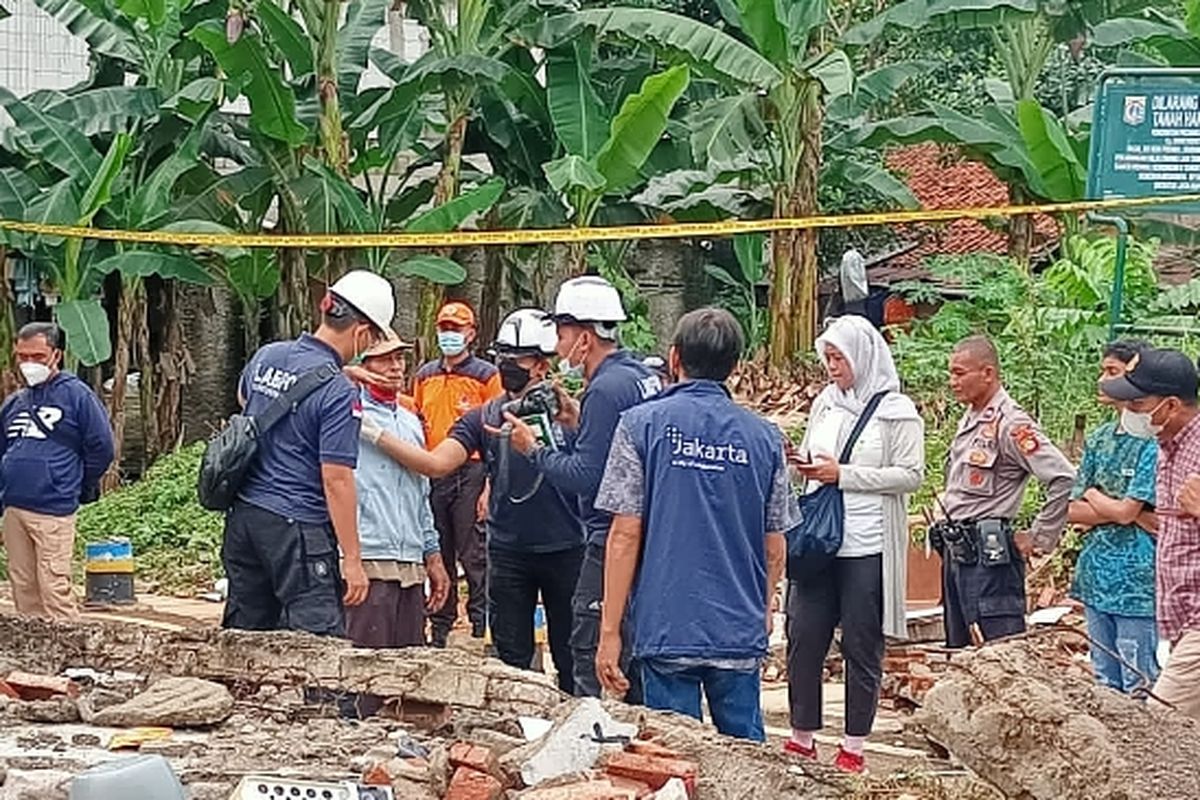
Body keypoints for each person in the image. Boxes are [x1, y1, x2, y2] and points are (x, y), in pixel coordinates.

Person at [593, 307, 798, 742]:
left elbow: (625, 534)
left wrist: (610, 632)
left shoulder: (640, 425)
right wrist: (764, 608)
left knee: (677, 757)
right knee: (747, 761)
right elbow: (775, 544)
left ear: (674, 358)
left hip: (668, 624)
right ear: (736, 367)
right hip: (737, 626)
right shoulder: (765, 439)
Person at [373, 309, 585, 692]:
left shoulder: (570, 414)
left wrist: (571, 423)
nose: (506, 366)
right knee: (510, 659)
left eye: (515, 358)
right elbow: (437, 463)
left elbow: (595, 466)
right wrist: (376, 435)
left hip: (567, 548)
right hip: (508, 552)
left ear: (540, 365)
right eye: (502, 356)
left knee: (573, 655)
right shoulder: (484, 417)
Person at [502, 276, 661, 699]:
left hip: (610, 537)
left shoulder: (606, 390)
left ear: (585, 337)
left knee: (590, 650)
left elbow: (589, 477)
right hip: (647, 535)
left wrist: (533, 450)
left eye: (561, 332)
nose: (556, 345)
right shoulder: (639, 377)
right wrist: (574, 424)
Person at [785, 315, 925, 773]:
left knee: (861, 643)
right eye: (827, 357)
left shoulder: (896, 411)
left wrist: (843, 475)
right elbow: (813, 455)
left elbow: (910, 476)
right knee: (804, 636)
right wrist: (803, 465)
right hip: (820, 541)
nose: (831, 366)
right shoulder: (826, 404)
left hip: (867, 542)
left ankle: (854, 744)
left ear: (863, 357)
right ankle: (802, 735)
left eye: (839, 357)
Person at [222, 270, 393, 637]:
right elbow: (336, 479)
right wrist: (352, 559)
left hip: (245, 521)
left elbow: (244, 400)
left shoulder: (269, 355)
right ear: (362, 331)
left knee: (245, 640)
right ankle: (324, 699)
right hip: (296, 529)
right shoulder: (337, 392)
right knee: (319, 649)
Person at [935, 335, 1074, 647]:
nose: (952, 382)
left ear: (988, 373)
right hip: (958, 552)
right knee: (960, 653)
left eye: (960, 373)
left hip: (989, 559)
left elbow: (1063, 477)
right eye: (951, 373)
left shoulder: (1012, 424)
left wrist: (1038, 536)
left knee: (998, 653)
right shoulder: (971, 416)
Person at [1100, 347, 1200, 719]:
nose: (1130, 413)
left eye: (1139, 404)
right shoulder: (1166, 447)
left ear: (1170, 405)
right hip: (1181, 619)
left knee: (1162, 729)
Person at [0, 322, 114, 619]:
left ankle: (71, 651)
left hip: (53, 508)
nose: (29, 364)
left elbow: (101, 449)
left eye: (37, 356)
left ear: (56, 355)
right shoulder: (15, 403)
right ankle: (36, 650)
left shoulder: (77, 396)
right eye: (23, 356)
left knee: (53, 585)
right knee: (23, 584)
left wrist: (71, 482)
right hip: (14, 507)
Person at [345, 333, 450, 649]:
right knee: (364, 667)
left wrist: (432, 555)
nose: (395, 367)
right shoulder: (347, 414)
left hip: (410, 561)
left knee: (409, 669)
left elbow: (421, 492)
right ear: (362, 364)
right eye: (383, 359)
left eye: (399, 359)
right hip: (370, 555)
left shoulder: (409, 420)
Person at [1067, 340, 1160, 694]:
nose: (1102, 380)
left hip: (1137, 581)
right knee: (1104, 681)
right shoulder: (1100, 438)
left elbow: (1122, 510)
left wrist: (1099, 498)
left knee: (1139, 681)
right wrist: (1124, 511)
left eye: (1112, 372)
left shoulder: (1153, 442)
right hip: (1095, 574)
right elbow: (1073, 509)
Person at [413, 301, 502, 646]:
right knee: (439, 549)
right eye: (445, 328)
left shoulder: (485, 375)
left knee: (474, 553)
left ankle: (482, 625)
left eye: (457, 328)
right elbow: (416, 416)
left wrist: (489, 485)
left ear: (471, 333)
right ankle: (441, 624)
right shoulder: (425, 375)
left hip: (473, 469)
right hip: (434, 469)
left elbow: (497, 430)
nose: (450, 334)